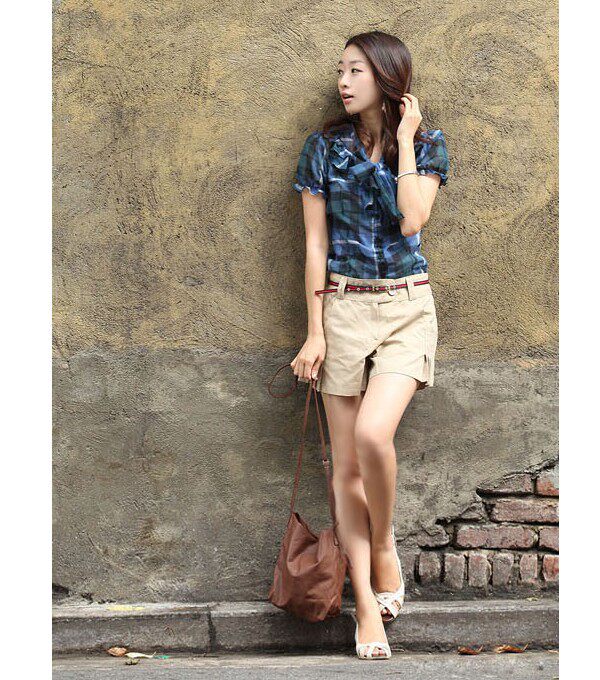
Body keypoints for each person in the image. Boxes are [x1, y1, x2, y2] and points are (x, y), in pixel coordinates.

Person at [289, 31, 449, 660]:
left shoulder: (427, 144)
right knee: (345, 469)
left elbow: (412, 219)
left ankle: (384, 544)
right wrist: (315, 330)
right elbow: (315, 245)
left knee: (372, 437)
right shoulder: (323, 148)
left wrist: (404, 140)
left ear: (386, 78)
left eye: (355, 70)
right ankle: (365, 606)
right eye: (341, 70)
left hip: (407, 307)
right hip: (344, 308)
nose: (343, 81)